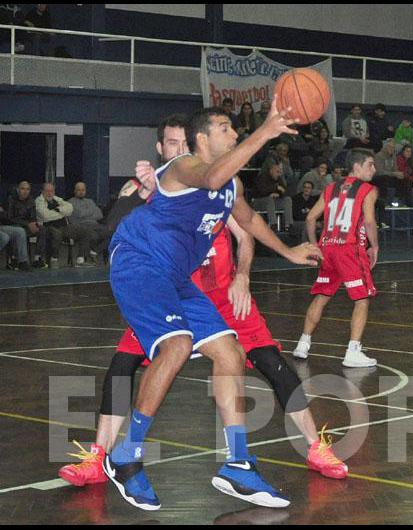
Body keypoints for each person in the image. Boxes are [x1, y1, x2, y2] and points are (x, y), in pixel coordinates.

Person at [57, 115, 346, 492]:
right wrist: (266, 130)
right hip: (163, 284)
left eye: (181, 143)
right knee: (124, 363)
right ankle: (103, 455)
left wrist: (260, 267)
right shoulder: (177, 175)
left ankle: (285, 453)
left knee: (269, 362)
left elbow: (248, 228)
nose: (178, 150)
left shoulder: (228, 183)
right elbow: (138, 211)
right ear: (171, 148)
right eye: (172, 144)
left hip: (222, 292)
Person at [292, 149, 380, 368]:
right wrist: (375, 246)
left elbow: (311, 217)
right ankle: (353, 350)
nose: (374, 169)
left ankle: (303, 344)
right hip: (350, 249)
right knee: (361, 299)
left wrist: (314, 245)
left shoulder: (330, 188)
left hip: (328, 248)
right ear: (356, 167)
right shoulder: (368, 190)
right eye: (370, 164)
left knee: (322, 296)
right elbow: (369, 222)